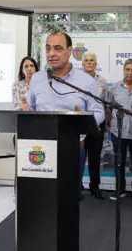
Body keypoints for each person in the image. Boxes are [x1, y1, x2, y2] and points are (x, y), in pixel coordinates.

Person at [23, 32, 105, 197]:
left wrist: (80, 122)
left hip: (73, 148)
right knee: (43, 197)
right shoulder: (37, 79)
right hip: (41, 148)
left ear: (69, 51)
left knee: (70, 198)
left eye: (57, 48)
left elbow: (99, 111)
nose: (51, 53)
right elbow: (31, 107)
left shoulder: (86, 81)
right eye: (48, 48)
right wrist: (25, 111)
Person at [108, 59, 132, 203]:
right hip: (117, 131)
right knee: (119, 162)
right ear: (124, 70)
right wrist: (109, 124)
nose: (130, 72)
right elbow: (109, 107)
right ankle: (120, 189)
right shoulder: (115, 88)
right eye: (127, 69)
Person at [81, 52, 108, 200]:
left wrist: (105, 124)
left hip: (97, 123)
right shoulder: (76, 80)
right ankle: (77, 186)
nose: (89, 63)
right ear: (82, 64)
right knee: (79, 156)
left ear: (96, 64)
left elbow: (105, 103)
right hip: (80, 123)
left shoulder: (102, 82)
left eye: (92, 61)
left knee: (94, 157)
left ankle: (94, 186)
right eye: (86, 61)